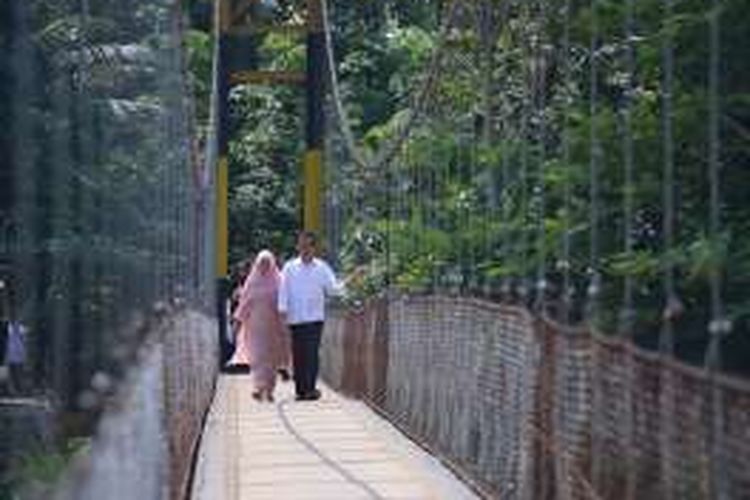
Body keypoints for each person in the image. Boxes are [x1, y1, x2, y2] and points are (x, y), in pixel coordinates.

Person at [278, 231, 359, 401]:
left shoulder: (322, 268)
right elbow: (283, 290)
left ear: (314, 248)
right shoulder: (289, 267)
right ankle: (301, 390)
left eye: (308, 245)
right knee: (299, 353)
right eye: (302, 245)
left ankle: (309, 389)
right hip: (296, 317)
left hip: (315, 317)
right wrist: (282, 310)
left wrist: (350, 281)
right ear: (297, 247)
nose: (305, 249)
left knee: (312, 353)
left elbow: (333, 289)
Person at [233, 250, 284, 401]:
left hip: (274, 326)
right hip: (254, 326)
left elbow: (285, 303)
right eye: (261, 263)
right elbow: (244, 304)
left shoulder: (279, 281)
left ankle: (269, 388)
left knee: (271, 358)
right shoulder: (252, 282)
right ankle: (258, 386)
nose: (264, 266)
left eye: (267, 263)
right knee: (257, 356)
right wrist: (238, 322)